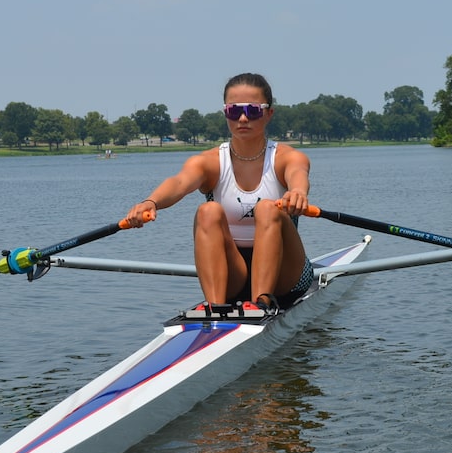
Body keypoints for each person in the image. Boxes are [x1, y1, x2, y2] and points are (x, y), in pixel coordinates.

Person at [126, 72, 313, 312]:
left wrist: (298, 193)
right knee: (208, 211)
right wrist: (151, 202)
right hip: (234, 273)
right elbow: (179, 183)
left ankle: (261, 304)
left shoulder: (288, 157)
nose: (243, 118)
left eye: (253, 110)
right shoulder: (209, 161)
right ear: (225, 113)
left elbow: (298, 175)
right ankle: (214, 307)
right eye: (234, 111)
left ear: (269, 114)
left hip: (286, 276)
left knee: (267, 207)